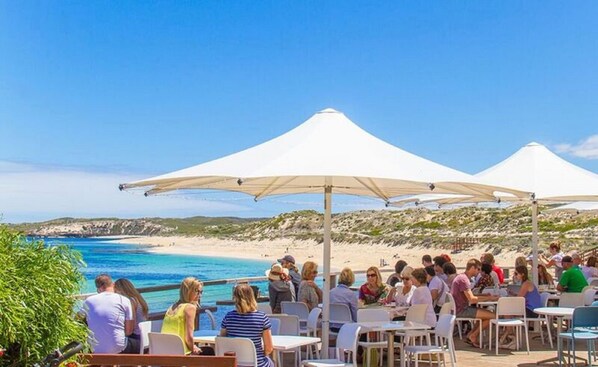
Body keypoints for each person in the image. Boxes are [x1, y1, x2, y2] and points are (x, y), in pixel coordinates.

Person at [80, 274, 137, 354]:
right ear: (113, 284)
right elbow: (129, 331)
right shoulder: (124, 300)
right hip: (118, 347)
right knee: (136, 344)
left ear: (98, 289)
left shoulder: (89, 301)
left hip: (94, 347)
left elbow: (77, 320)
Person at [220, 284, 274, 367]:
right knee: (272, 361)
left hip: (234, 363)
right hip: (256, 363)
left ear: (235, 298)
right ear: (252, 297)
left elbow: (222, 341)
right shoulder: (261, 317)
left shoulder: (228, 317)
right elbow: (269, 348)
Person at [451, 259, 499, 348]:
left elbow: (470, 295)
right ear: (472, 268)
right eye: (478, 269)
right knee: (493, 316)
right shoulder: (464, 280)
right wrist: (489, 298)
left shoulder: (461, 277)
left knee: (485, 315)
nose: (479, 272)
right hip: (462, 310)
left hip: (459, 308)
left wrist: (484, 295)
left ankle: (471, 335)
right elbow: (472, 299)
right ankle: (473, 335)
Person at [161, 277, 204, 355]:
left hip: (164, 352)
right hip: (181, 353)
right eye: (197, 291)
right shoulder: (190, 308)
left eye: (201, 292)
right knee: (210, 352)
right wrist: (194, 348)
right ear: (189, 291)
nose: (200, 295)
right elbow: (189, 338)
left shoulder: (172, 307)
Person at [114, 278, 149, 343]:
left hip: (136, 337)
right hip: (144, 334)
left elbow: (130, 329)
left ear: (120, 290)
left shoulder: (131, 301)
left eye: (115, 291)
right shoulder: (138, 298)